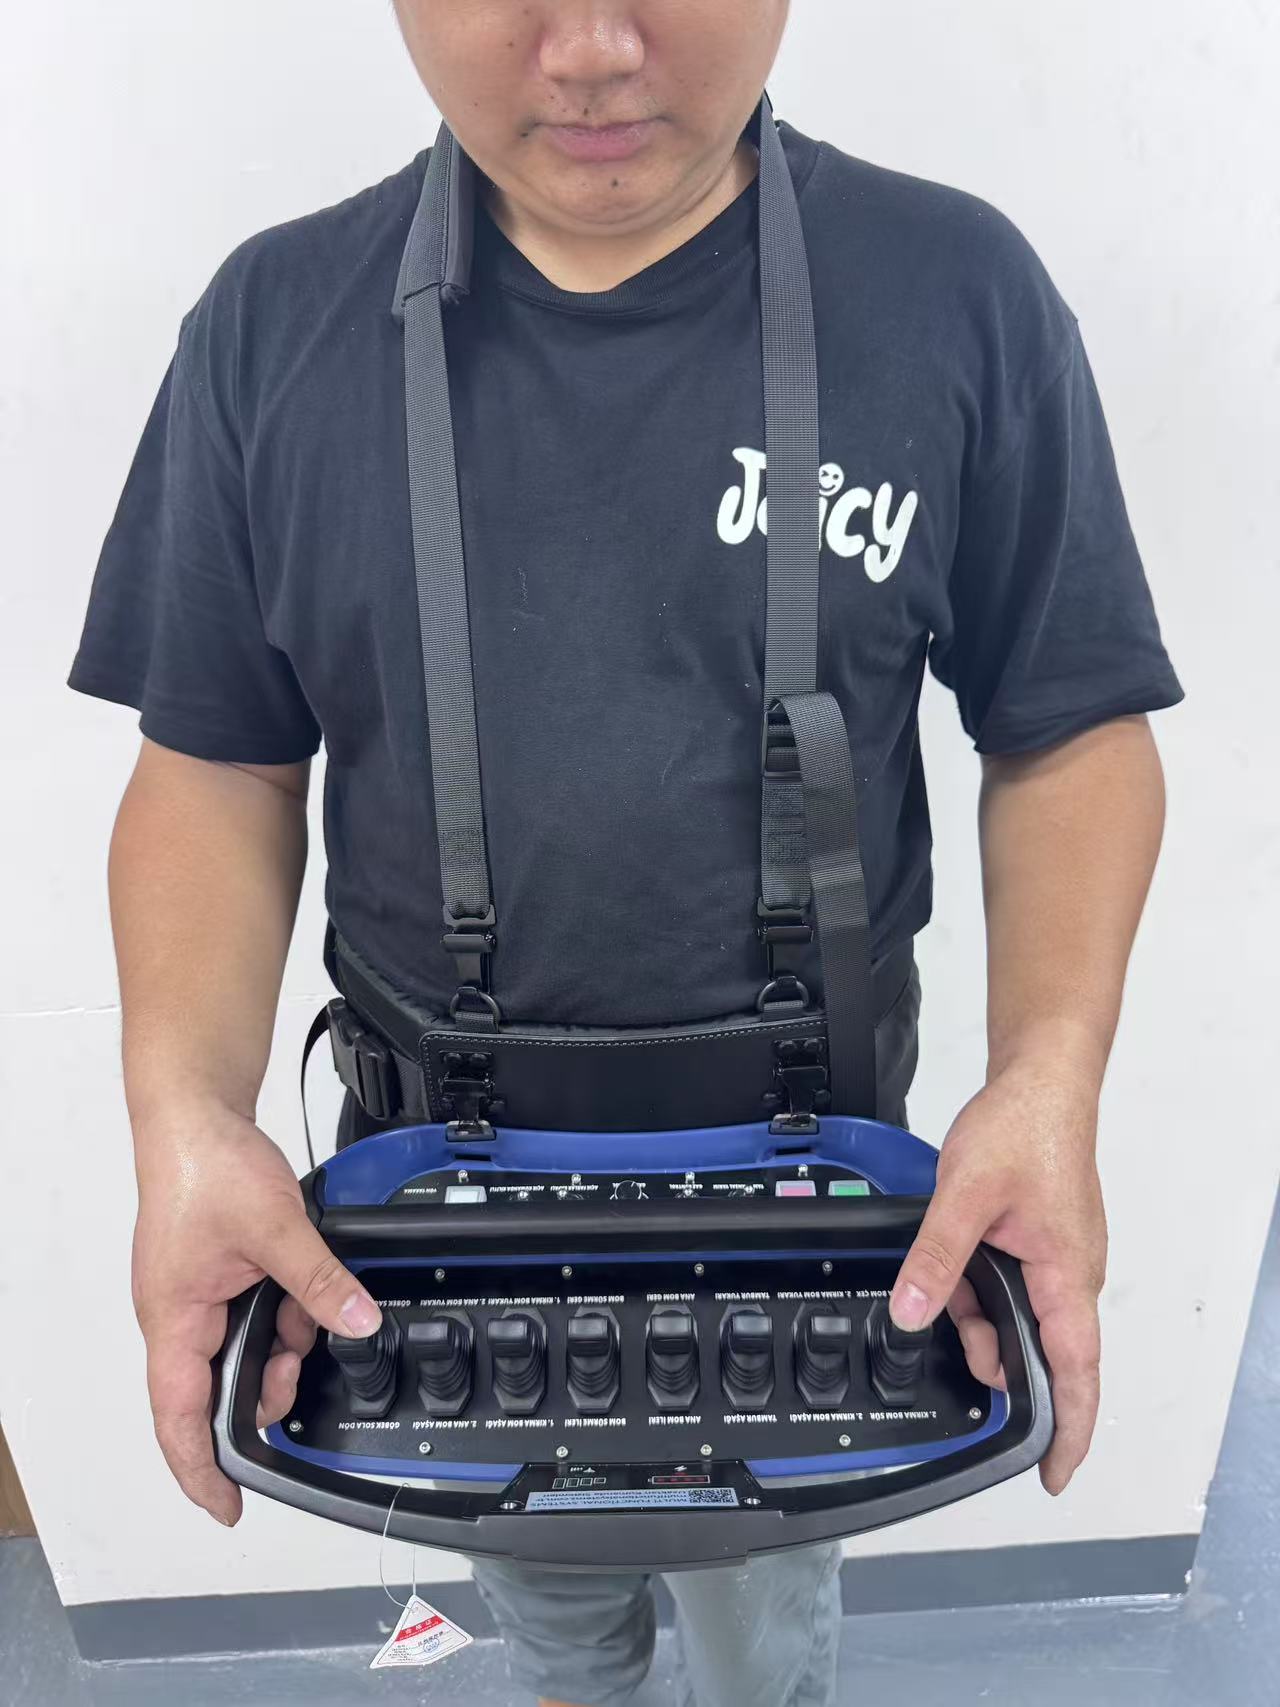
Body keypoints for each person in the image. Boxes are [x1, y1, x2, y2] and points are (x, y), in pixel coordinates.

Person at [68, 4, 1182, 1704]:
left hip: (815, 1211)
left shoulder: (956, 293)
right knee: (546, 1606)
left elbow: (1070, 725)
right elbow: (218, 763)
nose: (591, 49)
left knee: (762, 1633)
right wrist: (181, 1117)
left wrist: (1051, 1079)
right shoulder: (272, 327)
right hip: (435, 1216)